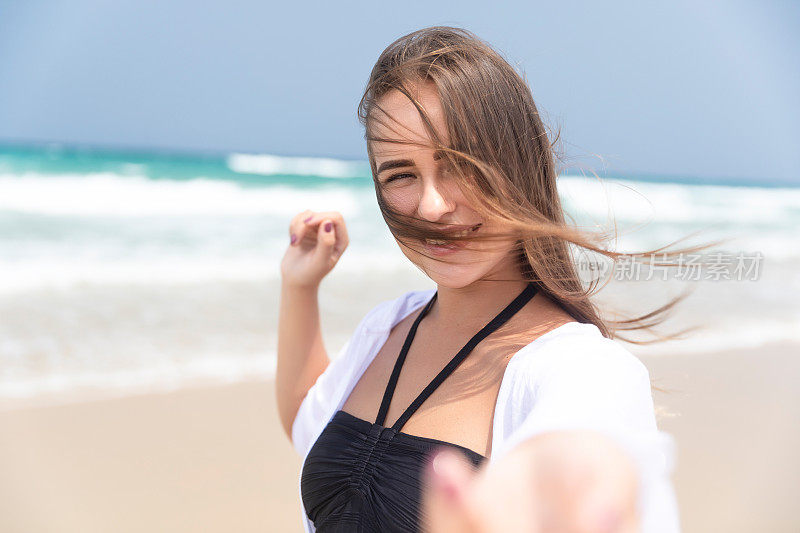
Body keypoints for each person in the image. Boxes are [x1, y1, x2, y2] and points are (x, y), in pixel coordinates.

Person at [278, 26, 703, 533]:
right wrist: (300, 288)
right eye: (400, 174)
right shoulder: (389, 327)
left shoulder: (583, 368)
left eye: (460, 164)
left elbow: (585, 462)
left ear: (519, 162)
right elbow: (310, 420)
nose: (432, 206)